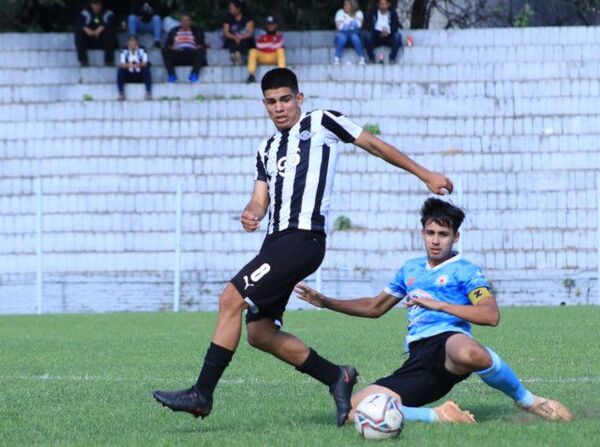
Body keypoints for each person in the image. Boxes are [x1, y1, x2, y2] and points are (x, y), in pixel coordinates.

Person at [153, 68, 454, 426]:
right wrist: (251, 213)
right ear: (263, 104)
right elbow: (259, 200)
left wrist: (425, 175)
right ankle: (336, 377)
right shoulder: (266, 149)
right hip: (274, 243)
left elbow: (373, 144)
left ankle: (202, 394)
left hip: (303, 239)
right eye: (271, 102)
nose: (279, 108)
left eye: (285, 99)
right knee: (260, 333)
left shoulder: (322, 122)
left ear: (299, 98)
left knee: (229, 299)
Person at [295, 198, 573, 424]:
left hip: (450, 343)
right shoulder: (410, 269)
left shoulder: (466, 270)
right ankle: (441, 416)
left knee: (471, 352)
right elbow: (375, 307)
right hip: (418, 359)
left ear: (455, 236)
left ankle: (528, 401)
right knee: (355, 410)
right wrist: (328, 302)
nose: (436, 240)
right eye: (431, 233)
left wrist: (438, 304)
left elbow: (491, 315)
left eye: (443, 234)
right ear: (422, 233)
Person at [161, 14, 206, 83]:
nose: (185, 22)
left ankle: (194, 74)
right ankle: (171, 75)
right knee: (165, 50)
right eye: (183, 20)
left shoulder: (196, 30)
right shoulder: (174, 30)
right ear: (180, 22)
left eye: (187, 20)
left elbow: (201, 43)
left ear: (190, 22)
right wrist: (172, 48)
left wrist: (198, 46)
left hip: (191, 54)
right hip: (178, 53)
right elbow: (167, 44)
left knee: (201, 50)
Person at [74, 0, 116, 67]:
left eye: (98, 4)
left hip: (103, 40)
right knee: (79, 33)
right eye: (94, 4)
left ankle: (109, 60)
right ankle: (83, 60)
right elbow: (79, 23)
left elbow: (111, 21)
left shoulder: (107, 13)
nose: (97, 6)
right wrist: (86, 29)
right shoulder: (85, 13)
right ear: (91, 4)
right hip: (89, 40)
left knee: (109, 32)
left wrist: (101, 28)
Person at [245, 15, 285, 84]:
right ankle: (251, 75)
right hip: (263, 57)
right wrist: (271, 44)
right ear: (266, 25)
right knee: (253, 51)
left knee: (281, 51)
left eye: (272, 24)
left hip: (273, 57)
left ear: (276, 25)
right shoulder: (261, 35)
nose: (270, 26)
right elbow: (258, 45)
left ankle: (281, 75)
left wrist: (266, 44)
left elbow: (279, 45)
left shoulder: (279, 36)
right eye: (269, 24)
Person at [117, 36, 152, 101]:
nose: (132, 46)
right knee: (120, 70)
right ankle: (121, 93)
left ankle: (148, 92)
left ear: (137, 44)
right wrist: (134, 65)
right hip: (128, 75)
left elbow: (145, 63)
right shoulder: (124, 50)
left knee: (146, 69)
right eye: (130, 44)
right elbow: (122, 64)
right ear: (128, 44)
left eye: (134, 44)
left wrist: (134, 65)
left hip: (139, 74)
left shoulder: (142, 49)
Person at [223, 0, 255, 65]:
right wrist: (235, 37)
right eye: (230, 8)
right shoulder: (228, 19)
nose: (230, 10)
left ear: (238, 9)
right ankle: (234, 56)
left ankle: (238, 57)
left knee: (244, 42)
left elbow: (250, 33)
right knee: (231, 42)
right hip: (232, 39)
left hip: (244, 39)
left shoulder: (247, 19)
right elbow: (226, 33)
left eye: (232, 8)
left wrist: (241, 37)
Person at [334, 0, 366, 66]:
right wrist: (351, 25)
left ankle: (362, 58)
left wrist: (346, 25)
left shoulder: (359, 13)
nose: (344, 6)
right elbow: (339, 27)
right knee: (342, 37)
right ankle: (336, 59)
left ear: (352, 5)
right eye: (344, 4)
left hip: (354, 34)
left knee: (355, 37)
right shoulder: (340, 12)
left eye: (346, 4)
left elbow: (359, 25)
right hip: (342, 35)